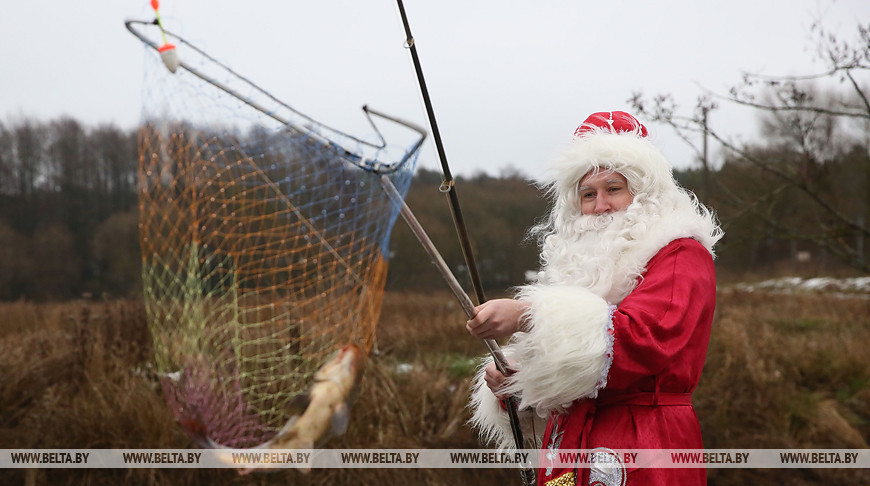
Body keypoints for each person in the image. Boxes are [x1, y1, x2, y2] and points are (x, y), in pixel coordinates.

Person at [466, 111, 722, 486]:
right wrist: (522, 381)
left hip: (646, 447)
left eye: (613, 189)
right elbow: (571, 370)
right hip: (570, 447)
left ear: (644, 192)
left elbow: (645, 339)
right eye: (588, 194)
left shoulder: (681, 253)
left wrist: (529, 314)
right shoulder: (580, 268)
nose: (600, 205)